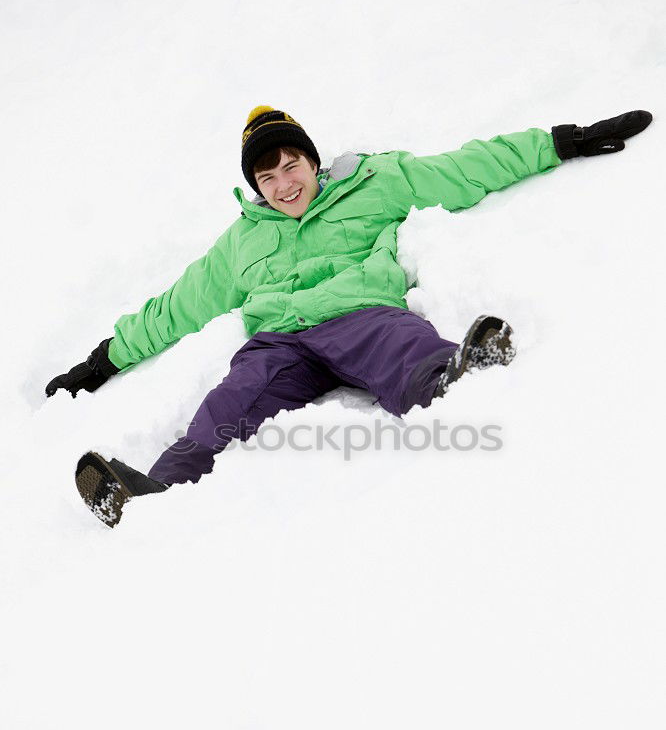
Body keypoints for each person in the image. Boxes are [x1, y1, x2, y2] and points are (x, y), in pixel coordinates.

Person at [45, 105, 653, 527]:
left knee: (400, 345)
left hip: (361, 312)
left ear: (311, 160)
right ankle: (155, 493)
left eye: (291, 167)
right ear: (256, 186)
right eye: (268, 177)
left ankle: (456, 378)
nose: (285, 185)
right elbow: (175, 307)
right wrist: (101, 362)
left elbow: (467, 167)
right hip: (280, 341)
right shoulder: (241, 241)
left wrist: (559, 141)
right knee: (228, 403)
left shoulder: (374, 181)